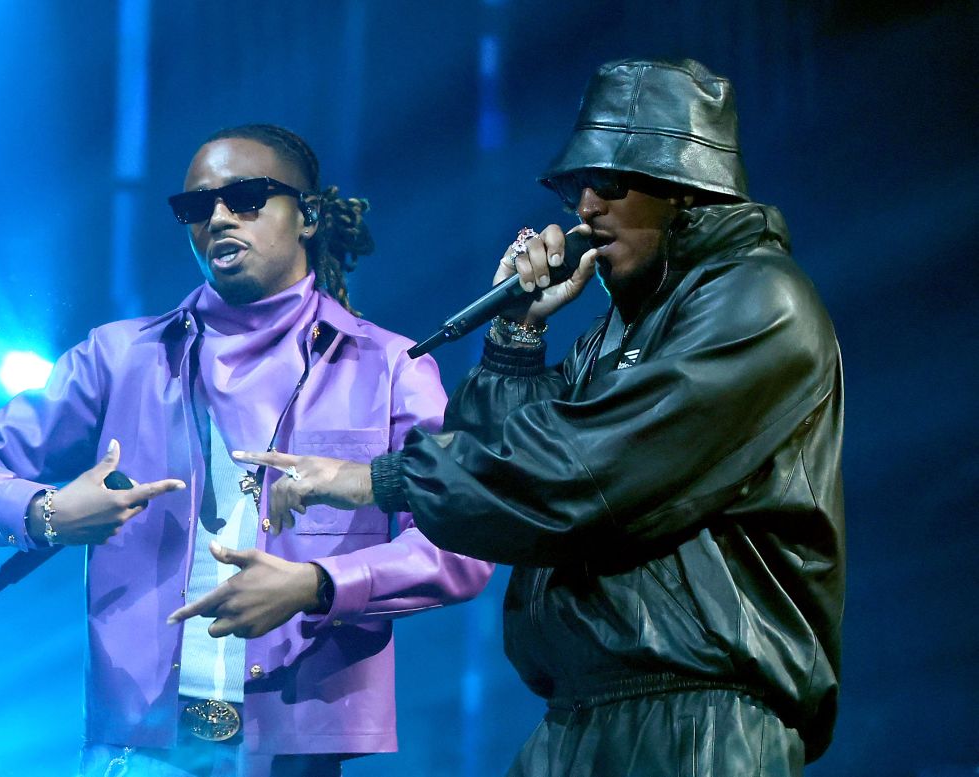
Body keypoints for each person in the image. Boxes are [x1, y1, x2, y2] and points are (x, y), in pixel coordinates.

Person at [236, 60, 845, 776]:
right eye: (573, 185)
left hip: (699, 720)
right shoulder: (614, 334)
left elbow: (577, 474)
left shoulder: (759, 304)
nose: (585, 207)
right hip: (582, 713)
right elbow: (502, 495)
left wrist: (376, 479)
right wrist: (516, 337)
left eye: (611, 181)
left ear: (686, 188)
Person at [0, 123, 492, 777]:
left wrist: (320, 584)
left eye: (247, 197)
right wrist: (45, 510)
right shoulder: (117, 359)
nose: (218, 216)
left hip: (294, 743)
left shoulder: (389, 365)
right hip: (138, 748)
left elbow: (462, 540)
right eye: (197, 206)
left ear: (307, 215)